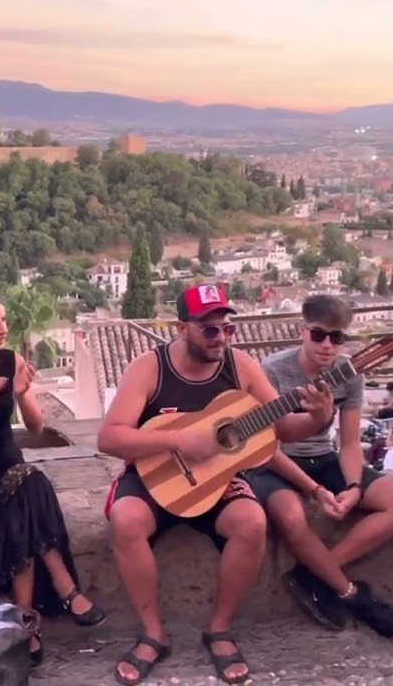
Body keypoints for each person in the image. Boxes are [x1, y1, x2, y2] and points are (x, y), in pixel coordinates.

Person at [97, 284, 332, 685]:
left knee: (252, 522)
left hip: (217, 480)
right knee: (126, 520)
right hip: (155, 475)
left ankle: (219, 628)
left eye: (228, 329)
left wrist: (318, 418)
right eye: (209, 330)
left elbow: (281, 428)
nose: (221, 338)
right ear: (181, 328)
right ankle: (154, 632)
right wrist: (177, 439)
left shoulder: (240, 367)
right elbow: (109, 438)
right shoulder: (150, 368)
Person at [0, 291, 105, 666]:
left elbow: (37, 426)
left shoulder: (12, 361)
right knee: (27, 483)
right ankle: (64, 588)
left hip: (8, 473)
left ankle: (25, 620)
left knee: (24, 490)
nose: (3, 330)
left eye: (4, 321)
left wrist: (24, 395)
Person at [246, 294, 393, 637]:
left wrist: (353, 487)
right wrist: (316, 490)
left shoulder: (349, 375)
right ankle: (349, 592)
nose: (327, 345)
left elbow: (351, 442)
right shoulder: (272, 371)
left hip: (322, 457)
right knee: (291, 516)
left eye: (337, 338)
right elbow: (266, 447)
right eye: (318, 335)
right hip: (274, 463)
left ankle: (313, 573)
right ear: (302, 332)